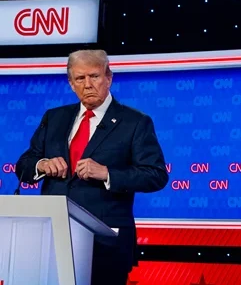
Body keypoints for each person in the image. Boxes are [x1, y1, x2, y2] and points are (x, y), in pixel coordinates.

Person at [16, 49, 169, 285]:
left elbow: (156, 175)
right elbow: (24, 165)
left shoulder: (135, 122)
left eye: (94, 76)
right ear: (71, 83)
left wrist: (107, 174)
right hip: (52, 240)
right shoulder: (54, 117)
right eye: (80, 78)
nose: (88, 84)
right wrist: (42, 165)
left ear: (109, 77)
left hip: (105, 244)